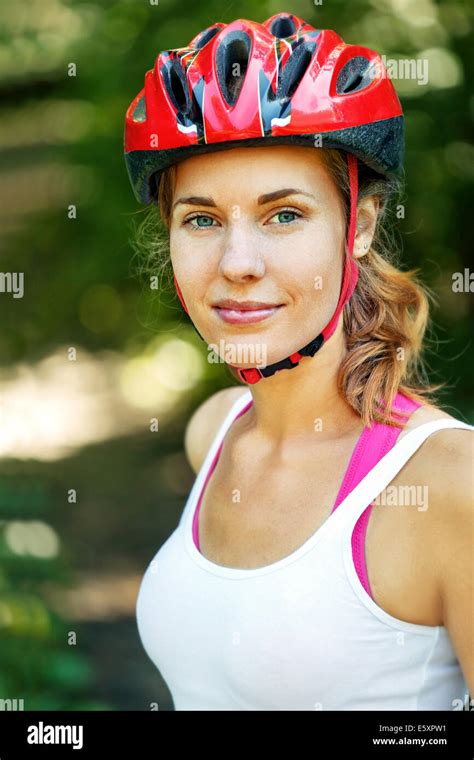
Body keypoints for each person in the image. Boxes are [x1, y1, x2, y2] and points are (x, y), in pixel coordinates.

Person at [124, 12, 473, 710]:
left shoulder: (450, 485)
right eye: (201, 219)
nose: (238, 264)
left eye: (284, 214)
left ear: (361, 226)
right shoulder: (214, 430)